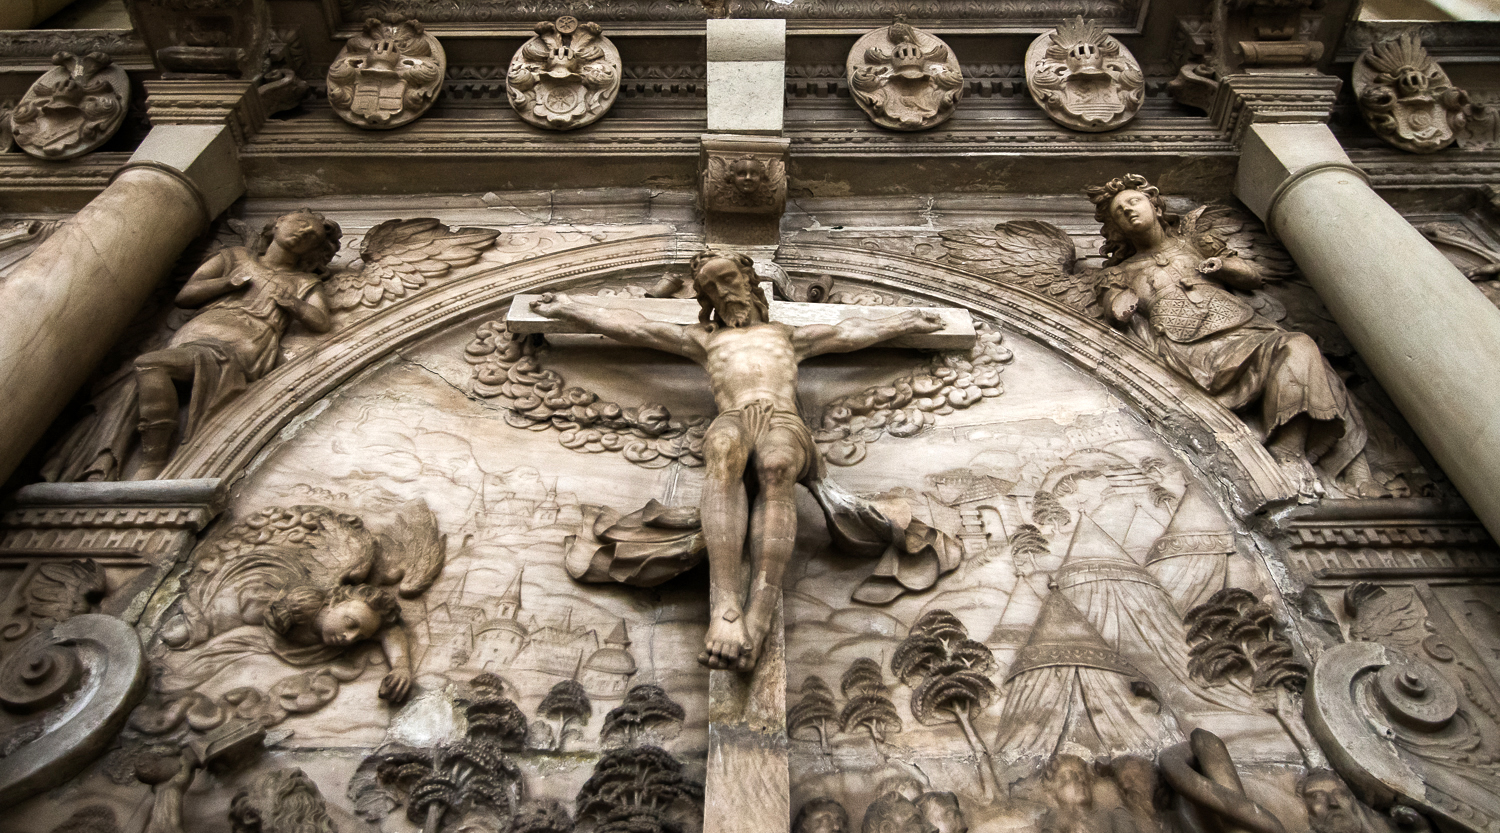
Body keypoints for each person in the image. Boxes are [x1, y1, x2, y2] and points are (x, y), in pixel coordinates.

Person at [529, 251, 945, 670]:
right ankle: (725, 610)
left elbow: (851, 331)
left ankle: (758, 617)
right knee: (726, 451)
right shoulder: (705, 339)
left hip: (782, 417)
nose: (723, 292)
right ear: (705, 299)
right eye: (711, 287)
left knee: (778, 464)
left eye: (727, 279)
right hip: (733, 416)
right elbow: (634, 326)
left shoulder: (786, 335)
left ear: (749, 281)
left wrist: (906, 321)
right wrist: (569, 308)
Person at [1089, 175, 1380, 495]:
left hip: (1242, 331)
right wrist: (1122, 305)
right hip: (1183, 351)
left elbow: (1251, 276)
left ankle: (1289, 451)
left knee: (1299, 347)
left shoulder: (1194, 242)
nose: (1129, 211)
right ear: (1115, 227)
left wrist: (1223, 266)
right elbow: (1113, 307)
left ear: (1156, 207)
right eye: (1119, 211)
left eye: (1134, 202)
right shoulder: (1116, 272)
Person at [133, 210, 341, 478]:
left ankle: (153, 461)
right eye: (299, 223)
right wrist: (226, 283)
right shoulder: (234, 258)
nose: (303, 232)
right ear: (278, 222)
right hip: (194, 335)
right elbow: (186, 295)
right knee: (151, 369)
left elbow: (321, 321)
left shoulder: (303, 281)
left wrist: (295, 304)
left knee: (151, 364)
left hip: (245, 345)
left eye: (312, 235)